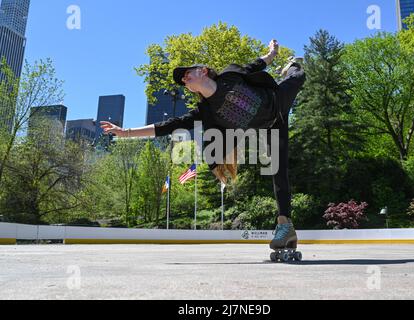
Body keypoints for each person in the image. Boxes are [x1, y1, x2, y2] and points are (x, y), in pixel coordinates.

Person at [100, 39, 306, 251]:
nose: (184, 77)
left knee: (299, 76)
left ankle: (291, 66)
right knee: (279, 172)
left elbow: (256, 64)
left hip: (276, 100)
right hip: (270, 128)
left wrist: (272, 54)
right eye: (183, 80)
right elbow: (170, 125)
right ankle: (285, 227)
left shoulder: (231, 74)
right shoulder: (206, 112)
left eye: (187, 72)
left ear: (204, 71)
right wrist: (126, 133)